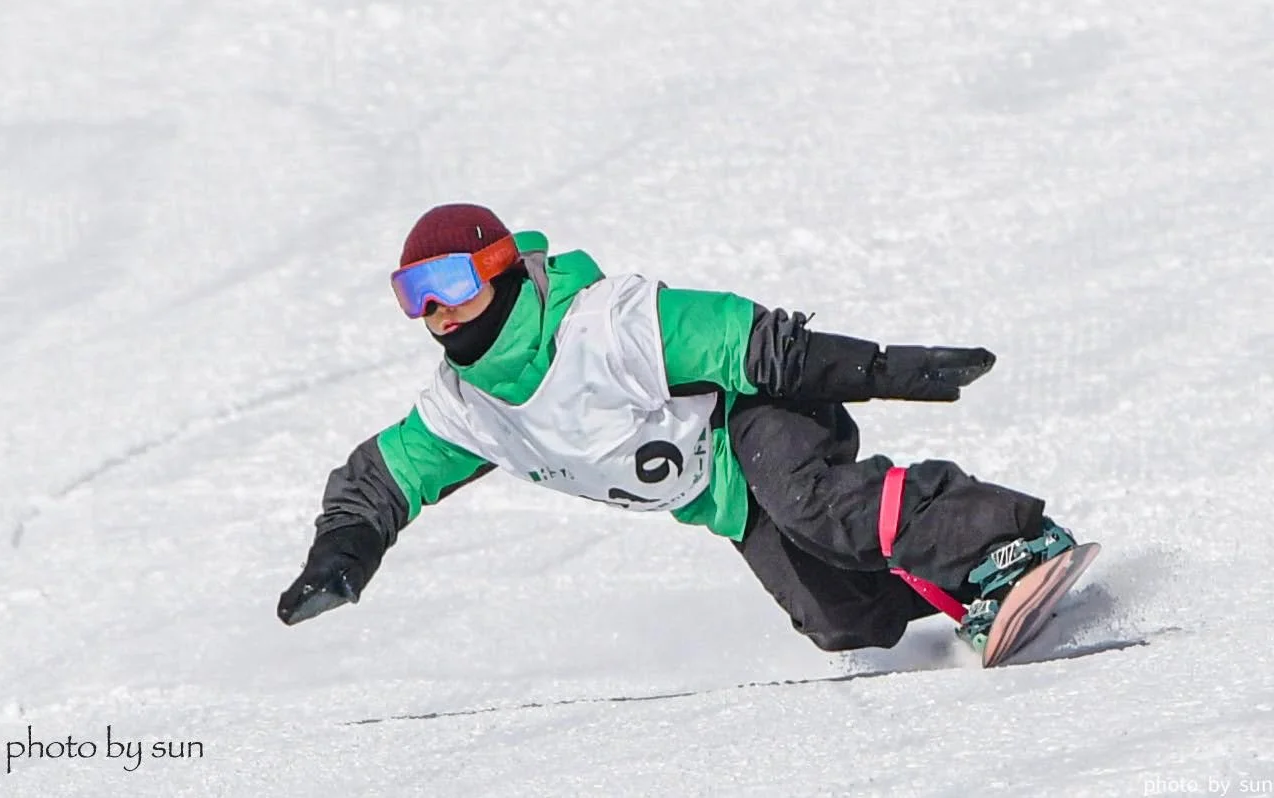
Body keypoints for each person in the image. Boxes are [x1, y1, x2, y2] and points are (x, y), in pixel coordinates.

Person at [276, 202, 1079, 652]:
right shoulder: (465, 408)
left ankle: (1007, 542)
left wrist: (886, 368)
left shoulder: (604, 324)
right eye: (411, 293)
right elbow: (380, 479)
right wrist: (339, 556)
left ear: (498, 270)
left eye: (447, 281)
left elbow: (750, 343)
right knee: (841, 621)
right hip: (723, 493)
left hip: (755, 413)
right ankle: (957, 588)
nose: (434, 310)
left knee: (817, 504)